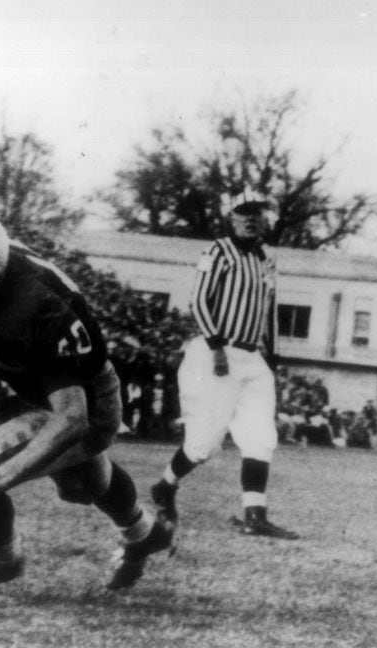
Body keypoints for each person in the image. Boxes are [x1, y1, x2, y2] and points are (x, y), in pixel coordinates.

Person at [0, 208, 174, 593]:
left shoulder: (37, 309)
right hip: (38, 388)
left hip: (81, 404)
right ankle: (145, 534)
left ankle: (1, 562)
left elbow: (72, 419)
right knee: (86, 484)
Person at [150, 189, 299, 539]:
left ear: (266, 219)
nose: (249, 219)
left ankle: (254, 515)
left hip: (253, 357)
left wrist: (272, 357)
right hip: (215, 353)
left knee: (261, 437)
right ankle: (165, 485)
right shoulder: (218, 250)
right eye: (242, 213)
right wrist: (216, 346)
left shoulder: (267, 257)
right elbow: (199, 300)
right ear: (231, 218)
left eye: (256, 213)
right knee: (203, 445)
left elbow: (270, 309)